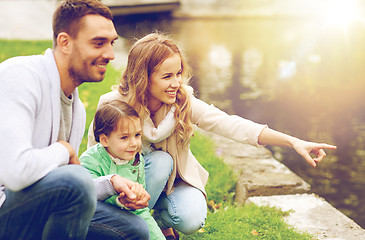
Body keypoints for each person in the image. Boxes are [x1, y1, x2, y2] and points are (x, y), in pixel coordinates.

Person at [87, 32, 337, 239]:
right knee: (160, 162)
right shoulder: (113, 105)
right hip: (123, 188)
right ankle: (132, 225)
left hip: (172, 183)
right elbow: (94, 155)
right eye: (167, 76)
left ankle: (159, 221)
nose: (176, 83)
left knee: (191, 218)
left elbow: (231, 125)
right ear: (144, 77)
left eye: (178, 74)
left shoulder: (182, 102)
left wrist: (293, 141)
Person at [0, 0, 150, 239]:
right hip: (5, 208)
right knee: (75, 178)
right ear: (65, 42)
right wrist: (63, 149)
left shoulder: (76, 108)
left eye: (112, 43)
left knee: (134, 230)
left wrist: (112, 183)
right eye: (98, 43)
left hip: (35, 207)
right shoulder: (20, 77)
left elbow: (64, 189)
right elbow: (16, 174)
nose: (110, 54)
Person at [80, 100, 167, 240]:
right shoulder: (91, 161)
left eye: (137, 135)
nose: (134, 143)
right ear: (104, 140)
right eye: (124, 137)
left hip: (130, 214)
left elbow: (142, 212)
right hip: (96, 221)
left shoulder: (136, 160)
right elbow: (87, 198)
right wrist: (119, 200)